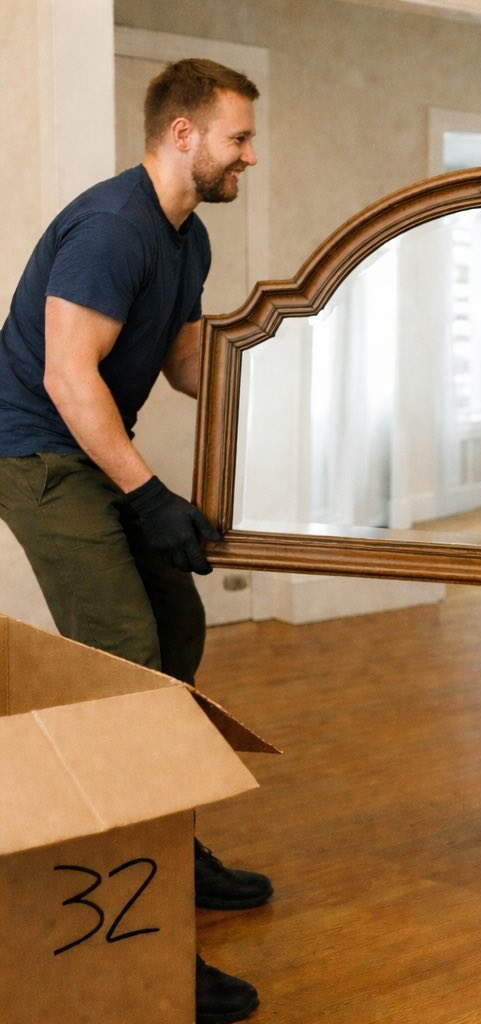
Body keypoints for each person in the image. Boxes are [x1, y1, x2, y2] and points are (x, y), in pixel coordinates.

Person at [0, 58, 273, 1024]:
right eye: (239, 137)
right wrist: (149, 494)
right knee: (123, 666)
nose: (250, 155)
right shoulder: (114, 228)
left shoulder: (186, 236)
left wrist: (281, 360)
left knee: (177, 634)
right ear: (183, 134)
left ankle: (169, 841)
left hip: (90, 444)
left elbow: (185, 359)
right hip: (40, 456)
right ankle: (143, 921)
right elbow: (70, 377)